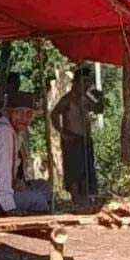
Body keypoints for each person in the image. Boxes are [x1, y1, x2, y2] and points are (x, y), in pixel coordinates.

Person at [0, 90, 51, 215]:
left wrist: (16, 184)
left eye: (28, 114)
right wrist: (9, 206)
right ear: (9, 112)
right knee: (38, 200)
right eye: (19, 112)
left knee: (44, 187)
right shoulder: (4, 133)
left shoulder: (15, 133)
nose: (24, 118)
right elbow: (3, 170)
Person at [51, 65, 99, 204]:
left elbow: (99, 108)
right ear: (76, 83)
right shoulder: (67, 99)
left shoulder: (88, 98)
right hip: (72, 138)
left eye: (89, 82)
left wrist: (96, 96)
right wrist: (61, 132)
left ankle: (87, 198)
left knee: (86, 169)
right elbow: (54, 113)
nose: (86, 85)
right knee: (74, 170)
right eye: (84, 82)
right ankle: (76, 199)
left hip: (85, 138)